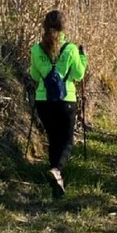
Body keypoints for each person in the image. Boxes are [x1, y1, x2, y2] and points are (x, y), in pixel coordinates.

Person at [30, 10, 88, 198]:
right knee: (67, 140)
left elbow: (35, 76)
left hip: (43, 101)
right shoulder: (71, 49)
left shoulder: (37, 49)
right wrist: (83, 57)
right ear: (64, 27)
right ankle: (57, 169)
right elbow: (78, 75)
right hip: (66, 100)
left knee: (53, 139)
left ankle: (57, 181)